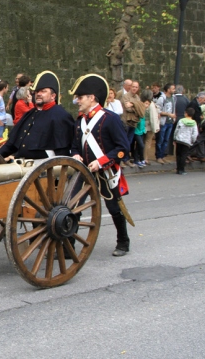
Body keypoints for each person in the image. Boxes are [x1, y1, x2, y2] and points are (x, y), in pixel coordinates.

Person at [68, 74, 131, 257]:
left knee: (114, 208)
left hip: (106, 172)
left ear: (92, 98)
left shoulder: (110, 119)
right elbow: (73, 146)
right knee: (73, 207)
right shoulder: (80, 121)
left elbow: (122, 149)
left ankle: (123, 241)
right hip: (84, 171)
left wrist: (102, 162)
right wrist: (76, 155)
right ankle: (69, 245)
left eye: (80, 97)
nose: (77, 101)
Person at [0, 71, 74, 159]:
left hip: (44, 168)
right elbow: (12, 143)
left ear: (53, 96)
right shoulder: (30, 114)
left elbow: (62, 151)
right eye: (37, 91)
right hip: (22, 164)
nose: (38, 94)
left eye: (43, 91)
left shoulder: (61, 116)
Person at [120, 80, 145, 167]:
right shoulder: (125, 96)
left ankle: (126, 159)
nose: (134, 88)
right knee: (124, 141)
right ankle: (121, 160)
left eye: (136, 87)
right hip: (125, 122)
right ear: (130, 87)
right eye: (133, 86)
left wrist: (133, 104)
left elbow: (141, 110)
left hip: (134, 123)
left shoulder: (137, 97)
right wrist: (136, 106)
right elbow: (127, 108)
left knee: (129, 142)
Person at [173, 107, 198, 175]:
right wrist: (193, 140)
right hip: (187, 141)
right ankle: (182, 169)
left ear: (186, 113)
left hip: (179, 140)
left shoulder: (181, 121)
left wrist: (175, 138)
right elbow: (195, 133)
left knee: (178, 154)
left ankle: (178, 169)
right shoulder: (194, 123)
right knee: (184, 155)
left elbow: (177, 130)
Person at [155, 83, 175, 164]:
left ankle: (162, 155)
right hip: (163, 122)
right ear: (168, 89)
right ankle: (158, 156)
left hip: (170, 122)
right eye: (173, 88)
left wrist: (173, 115)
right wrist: (168, 114)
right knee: (160, 139)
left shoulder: (174, 98)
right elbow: (158, 109)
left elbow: (174, 107)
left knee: (166, 140)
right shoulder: (162, 98)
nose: (174, 90)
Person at [142, 89, 159, 165]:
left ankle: (142, 157)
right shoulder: (151, 104)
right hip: (149, 126)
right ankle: (145, 158)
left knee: (143, 142)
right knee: (147, 143)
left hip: (143, 125)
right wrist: (155, 128)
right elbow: (153, 118)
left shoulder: (142, 102)